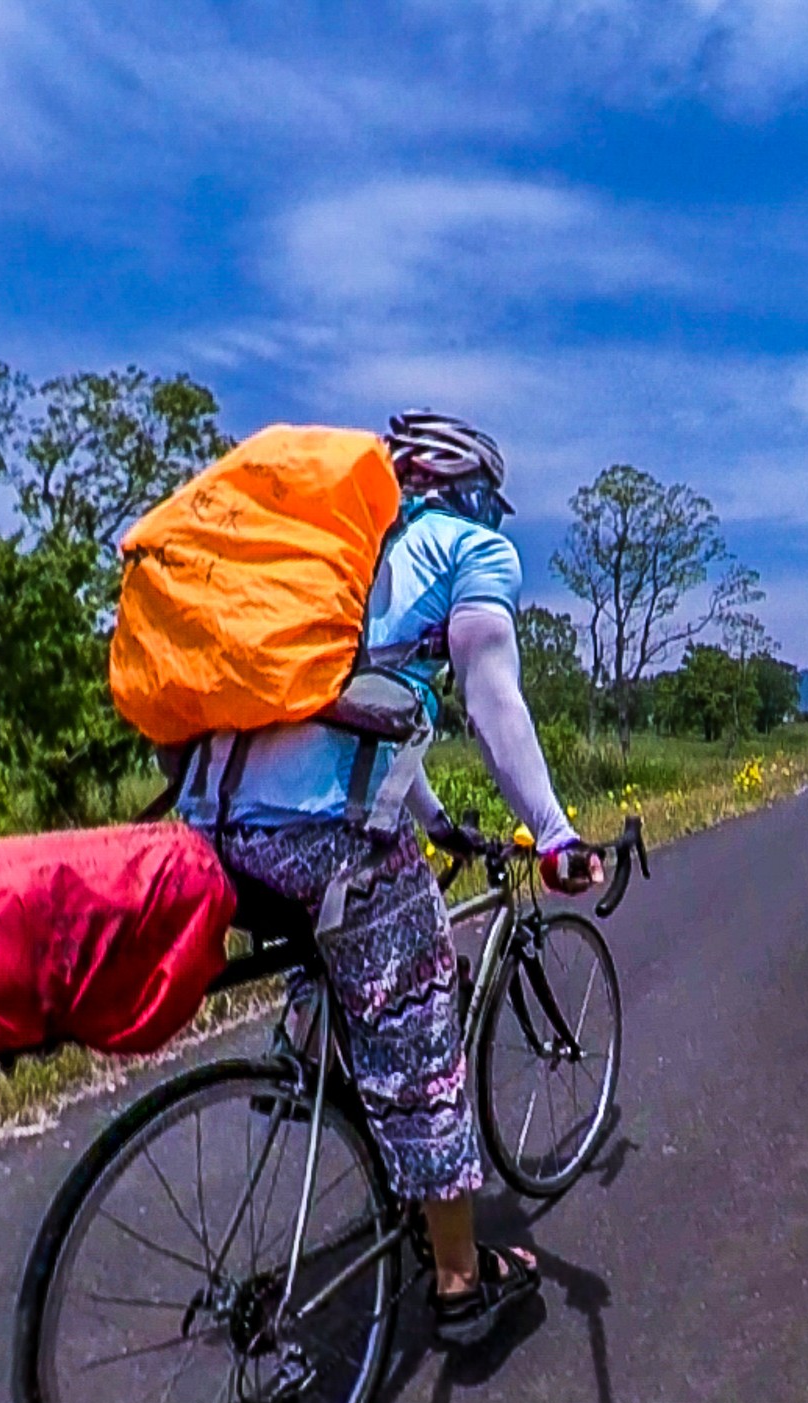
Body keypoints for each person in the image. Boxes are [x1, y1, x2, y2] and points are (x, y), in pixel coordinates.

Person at [178, 409, 597, 1344]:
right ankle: (457, 1278)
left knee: (350, 966)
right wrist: (556, 833)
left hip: (215, 829)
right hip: (327, 840)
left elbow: (359, 715)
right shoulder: (473, 551)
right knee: (422, 1026)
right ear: (477, 491)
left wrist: (440, 824)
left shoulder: (338, 557)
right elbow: (492, 696)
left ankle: (323, 1066)